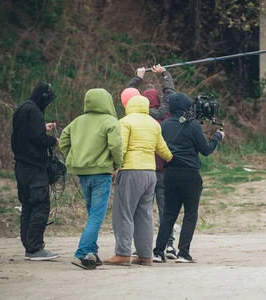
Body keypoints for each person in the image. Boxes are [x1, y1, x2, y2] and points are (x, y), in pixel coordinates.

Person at [152, 92, 224, 263]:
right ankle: (183, 253)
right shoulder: (192, 126)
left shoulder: (163, 126)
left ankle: (158, 251)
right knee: (190, 213)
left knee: (169, 214)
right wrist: (217, 137)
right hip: (189, 174)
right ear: (187, 107)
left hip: (169, 173)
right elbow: (205, 150)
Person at [103, 95, 173, 266]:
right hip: (150, 174)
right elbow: (163, 150)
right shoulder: (154, 124)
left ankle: (123, 253)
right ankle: (145, 255)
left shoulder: (125, 122)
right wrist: (171, 158)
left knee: (124, 213)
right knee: (145, 215)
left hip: (130, 170)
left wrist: (115, 167)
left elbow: (121, 147)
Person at [59, 88, 123, 270]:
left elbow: (63, 141)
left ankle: (92, 253)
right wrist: (118, 164)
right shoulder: (110, 121)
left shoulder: (76, 122)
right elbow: (116, 144)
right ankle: (81, 254)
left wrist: (73, 158)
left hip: (82, 174)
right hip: (101, 174)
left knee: (91, 215)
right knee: (96, 216)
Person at [131, 64, 179, 259]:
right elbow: (170, 96)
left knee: (143, 211)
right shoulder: (165, 115)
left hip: (144, 170)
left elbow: (128, 95)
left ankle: (143, 247)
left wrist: (138, 78)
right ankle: (168, 246)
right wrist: (164, 74)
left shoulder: (135, 117)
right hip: (164, 172)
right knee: (166, 210)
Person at [11, 82, 60, 261]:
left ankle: (29, 246)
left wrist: (42, 128)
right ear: (44, 98)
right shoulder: (35, 111)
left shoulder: (22, 108)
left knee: (28, 208)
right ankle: (35, 248)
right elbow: (38, 139)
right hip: (34, 168)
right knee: (40, 206)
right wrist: (53, 141)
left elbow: (27, 134)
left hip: (20, 167)